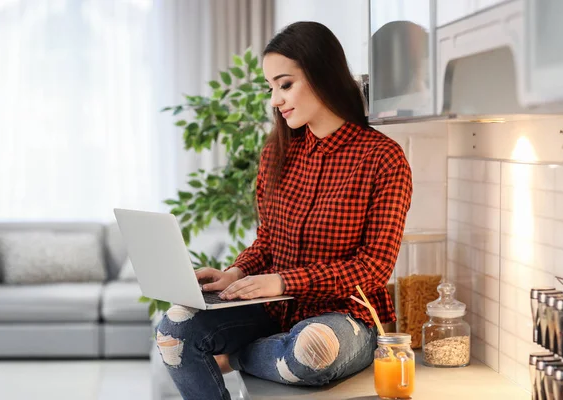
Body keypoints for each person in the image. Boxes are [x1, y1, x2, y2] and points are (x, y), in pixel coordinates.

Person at [155, 21, 412, 400]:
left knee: (312, 351)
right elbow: (269, 241)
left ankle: (241, 354)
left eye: (285, 84)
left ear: (322, 74)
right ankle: (266, 348)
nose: (275, 99)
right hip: (276, 310)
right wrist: (236, 273)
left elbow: (374, 267)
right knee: (174, 330)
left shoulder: (383, 158)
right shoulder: (276, 153)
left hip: (345, 316)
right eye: (271, 87)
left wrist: (284, 282)